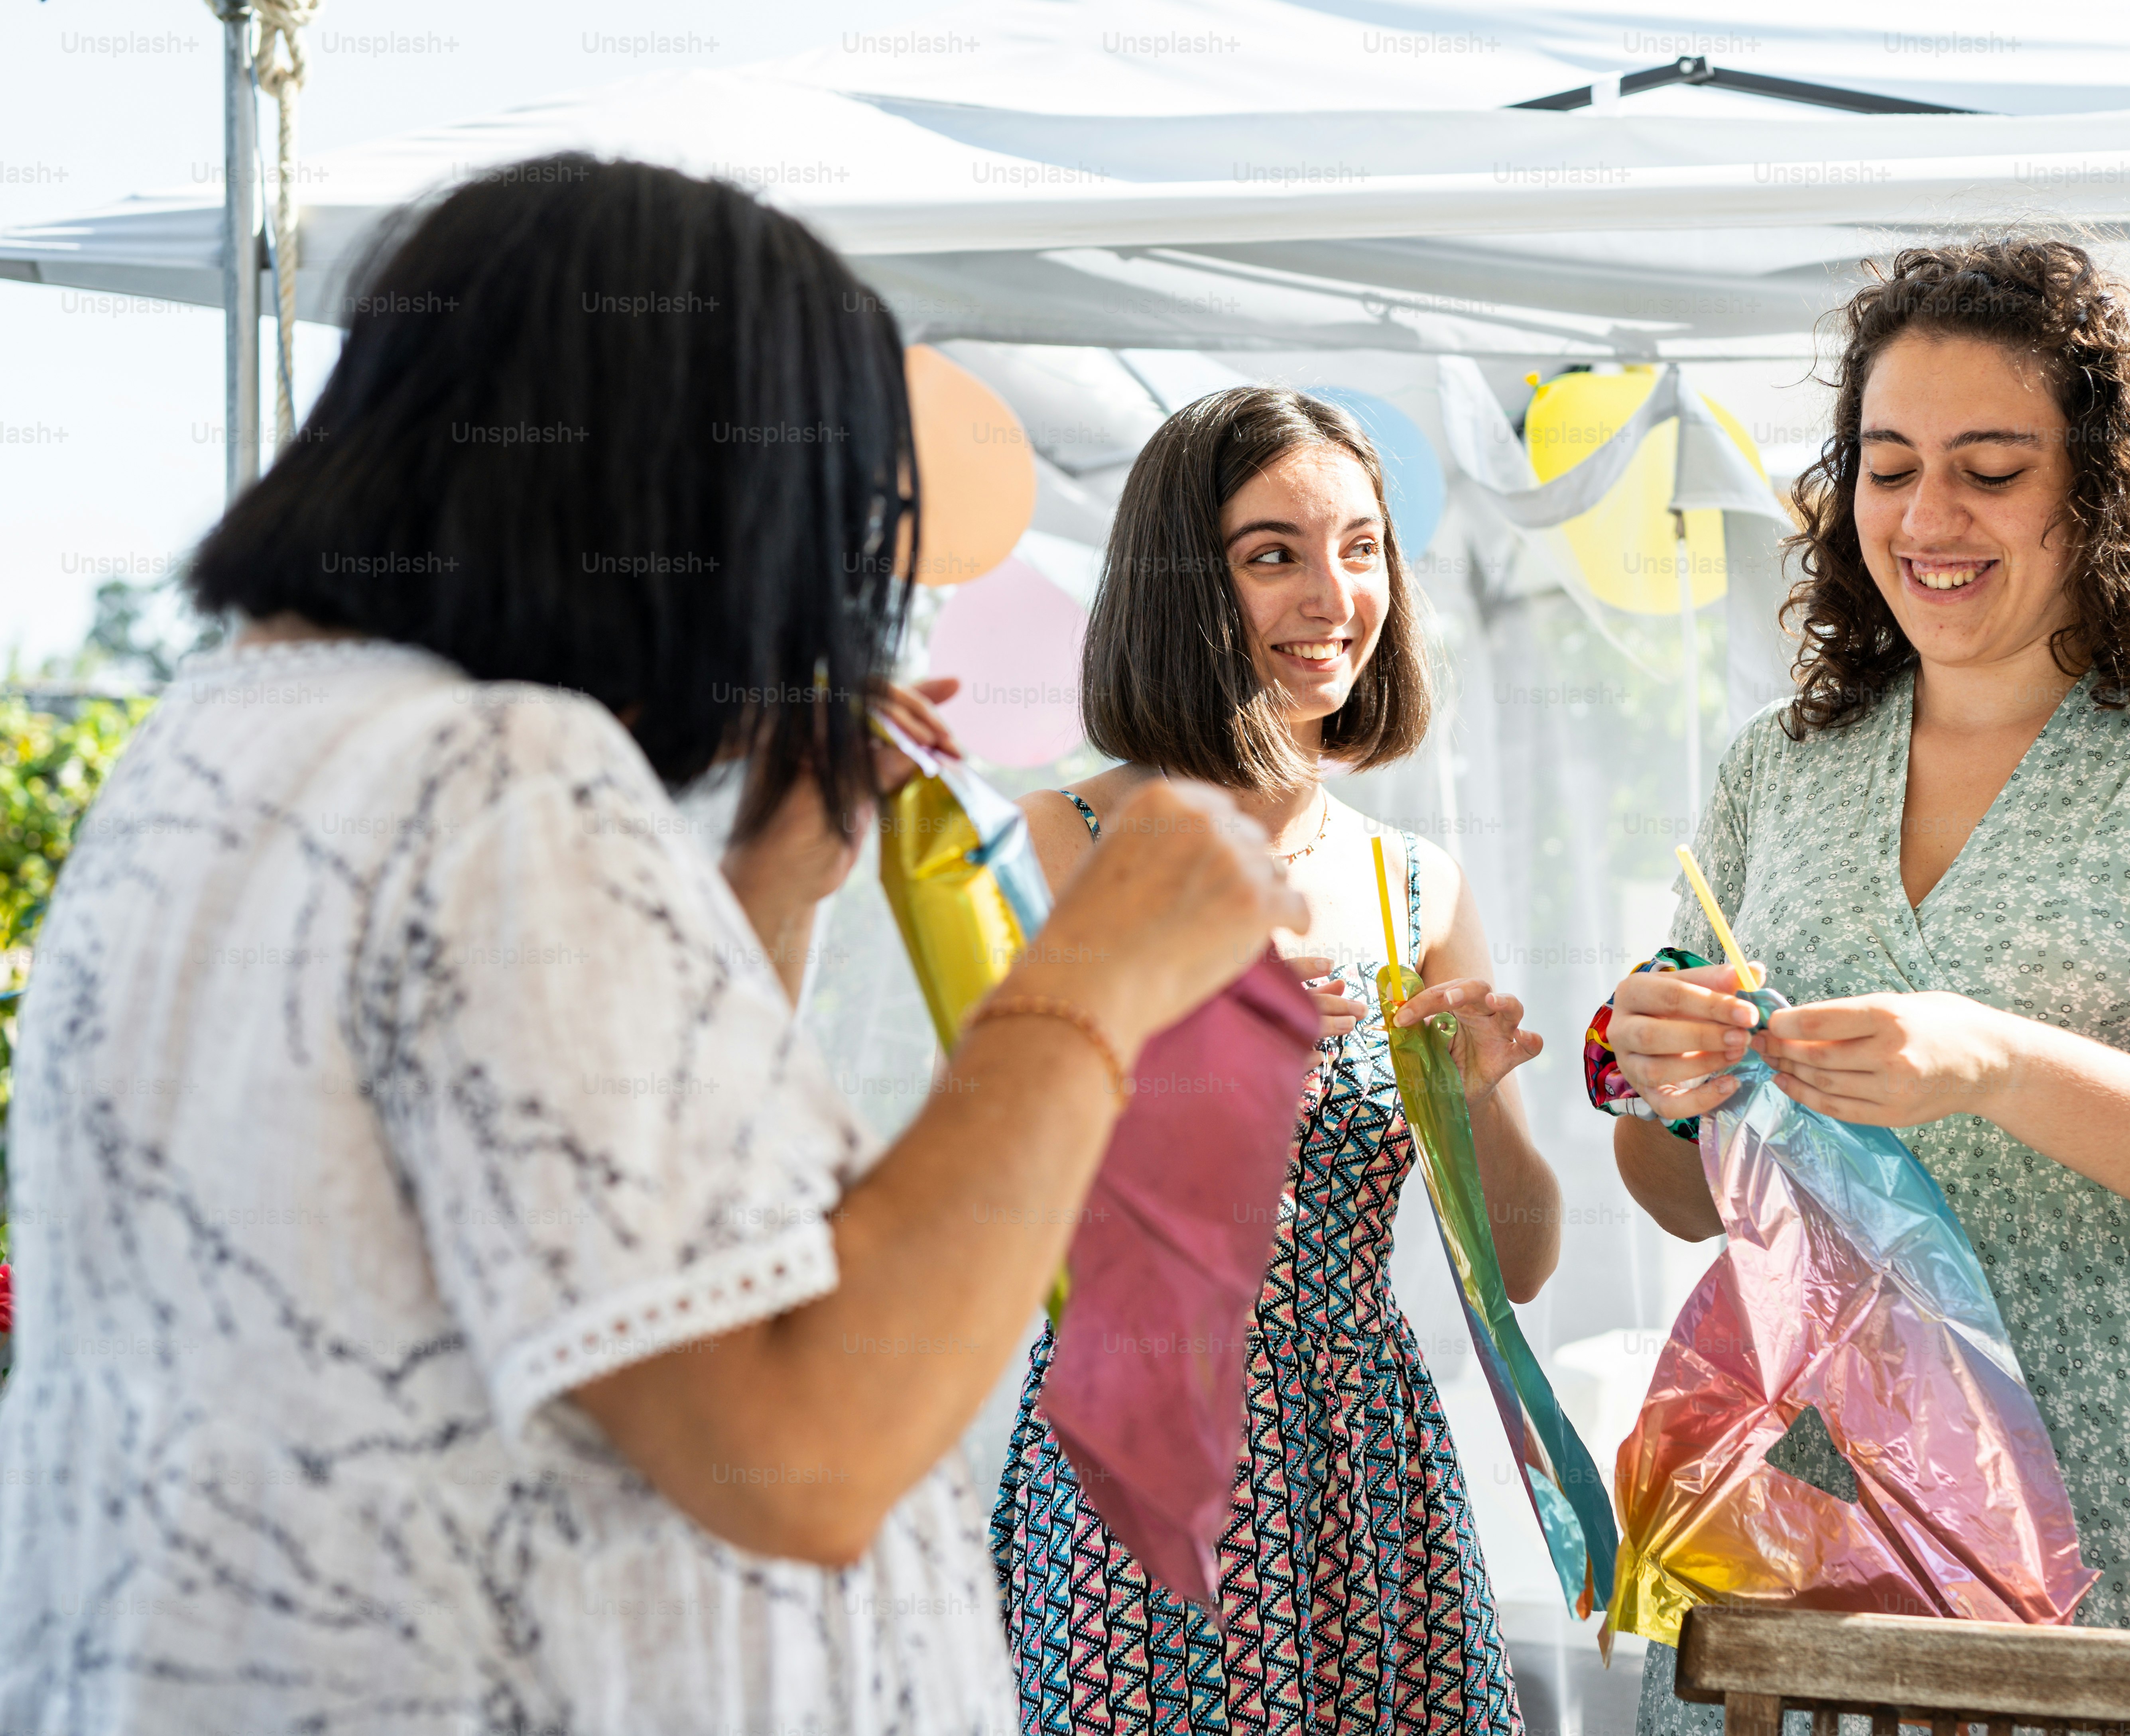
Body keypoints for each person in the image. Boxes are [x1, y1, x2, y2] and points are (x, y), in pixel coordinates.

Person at [0, 155, 1305, 1736]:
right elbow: (805, 1445)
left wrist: (768, 884)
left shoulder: (211, 751)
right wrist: (1090, 984)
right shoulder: (499, 779)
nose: (819, 593)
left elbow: (594, 1237)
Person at [1588, 240, 2130, 1731]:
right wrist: (1670, 1087)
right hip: (1814, 1547)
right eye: (1889, 466)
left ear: (2102, 487)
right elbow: (1692, 1195)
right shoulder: (1780, 769)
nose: (1928, 516)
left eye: (1991, 467)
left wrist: (1996, 1061)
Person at [992, 386, 1561, 1734]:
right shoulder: (1054, 844)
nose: (1333, 594)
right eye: (1274, 554)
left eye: (1361, 547)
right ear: (1183, 586)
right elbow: (992, 1217)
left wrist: (1478, 1098)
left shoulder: (1412, 882)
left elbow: (1521, 1266)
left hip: (1370, 1468)